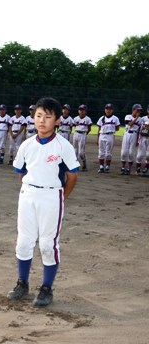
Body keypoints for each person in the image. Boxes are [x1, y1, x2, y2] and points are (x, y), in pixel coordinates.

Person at [8, 97, 79, 307]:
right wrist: (31, 188)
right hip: (28, 194)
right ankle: (22, 283)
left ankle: (47, 288)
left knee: (48, 243)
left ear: (57, 121)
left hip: (52, 196)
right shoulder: (27, 145)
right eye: (38, 116)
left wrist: (60, 197)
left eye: (48, 117)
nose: (42, 120)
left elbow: (72, 176)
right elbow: (21, 172)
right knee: (24, 241)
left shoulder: (63, 146)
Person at [96, 103, 120, 173]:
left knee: (108, 153)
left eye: (110, 109)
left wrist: (110, 130)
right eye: (107, 109)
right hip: (102, 135)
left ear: (112, 110)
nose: (108, 110)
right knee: (101, 152)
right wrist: (97, 138)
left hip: (110, 135)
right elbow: (99, 129)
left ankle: (107, 166)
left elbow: (117, 128)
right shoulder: (101, 118)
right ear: (105, 110)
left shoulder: (115, 118)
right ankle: (101, 166)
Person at [119, 104, 142, 175]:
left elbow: (139, 130)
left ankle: (129, 168)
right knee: (124, 152)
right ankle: (123, 167)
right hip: (127, 134)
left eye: (139, 111)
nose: (138, 112)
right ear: (133, 110)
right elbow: (130, 124)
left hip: (134, 135)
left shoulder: (140, 119)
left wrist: (138, 140)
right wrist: (136, 117)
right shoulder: (128, 116)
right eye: (137, 110)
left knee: (131, 152)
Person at [72, 104, 92, 171]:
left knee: (81, 152)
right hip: (76, 134)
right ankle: (76, 165)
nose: (81, 111)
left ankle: (84, 164)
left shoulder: (88, 119)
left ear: (85, 111)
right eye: (80, 110)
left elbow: (89, 129)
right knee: (75, 151)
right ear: (78, 111)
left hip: (83, 134)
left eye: (83, 110)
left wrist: (85, 134)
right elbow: (74, 126)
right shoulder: (75, 118)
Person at [136, 105, 149, 175]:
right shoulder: (143, 118)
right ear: (147, 110)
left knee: (148, 155)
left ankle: (146, 168)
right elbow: (138, 128)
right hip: (142, 138)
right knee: (140, 155)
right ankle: (138, 168)